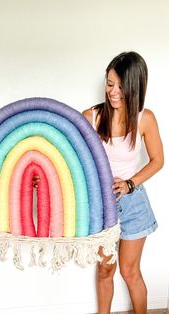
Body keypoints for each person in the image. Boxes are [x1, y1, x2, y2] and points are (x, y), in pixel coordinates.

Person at [82, 51, 164, 314]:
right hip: (103, 206)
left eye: (121, 86)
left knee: (130, 271)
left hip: (133, 204)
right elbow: (74, 159)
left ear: (135, 86)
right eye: (109, 83)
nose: (113, 92)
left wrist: (130, 183)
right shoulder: (91, 117)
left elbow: (157, 160)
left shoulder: (145, 118)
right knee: (105, 269)